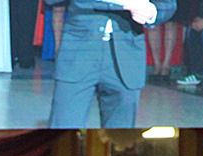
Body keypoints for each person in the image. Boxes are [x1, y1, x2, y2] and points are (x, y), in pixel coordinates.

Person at [49, 0, 177, 128]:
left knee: (120, 136)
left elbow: (168, 4)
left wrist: (152, 12)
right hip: (78, 51)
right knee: (64, 127)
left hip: (127, 53)